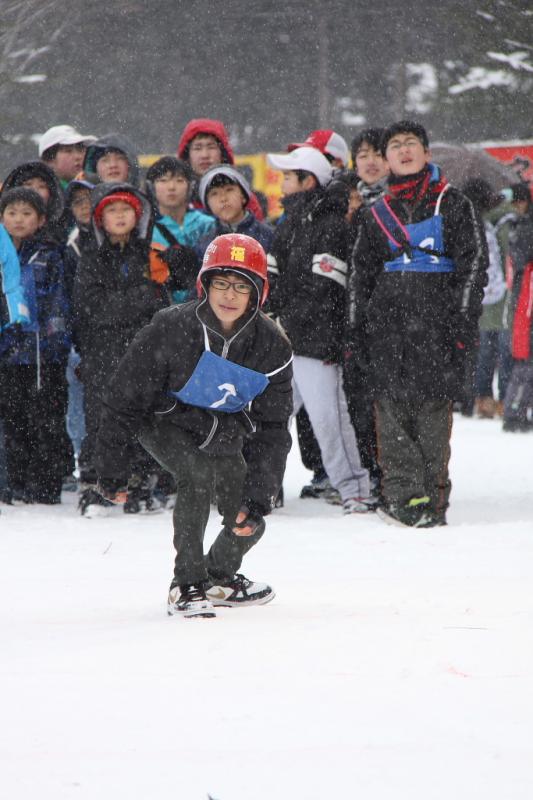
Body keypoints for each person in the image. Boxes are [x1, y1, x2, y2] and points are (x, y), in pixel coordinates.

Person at [94, 233, 293, 619]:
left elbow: (272, 427)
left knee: (250, 511)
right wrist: (112, 469)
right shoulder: (169, 326)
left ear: (258, 294)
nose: (229, 295)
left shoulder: (273, 346)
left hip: (218, 426)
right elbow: (124, 398)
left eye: (241, 285)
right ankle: (185, 584)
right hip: (162, 418)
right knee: (197, 476)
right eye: (221, 282)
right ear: (204, 284)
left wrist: (258, 496)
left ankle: (219, 576)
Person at [349, 120, 488, 528]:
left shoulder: (455, 203)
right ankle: (406, 499)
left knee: (431, 415)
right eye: (395, 145)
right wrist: (356, 328)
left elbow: (474, 264)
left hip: (438, 328)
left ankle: (434, 498)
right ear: (386, 158)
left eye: (412, 143)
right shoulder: (376, 214)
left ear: (427, 154)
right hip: (387, 330)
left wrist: (462, 318)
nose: (404, 150)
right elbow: (361, 275)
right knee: (391, 415)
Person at [267, 146, 371, 514]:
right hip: (285, 342)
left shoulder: (329, 225)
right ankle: (262, 488)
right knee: (270, 418)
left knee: (331, 423)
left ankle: (355, 489)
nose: (282, 183)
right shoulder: (289, 222)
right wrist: (271, 315)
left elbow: (324, 289)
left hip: (317, 343)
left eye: (288, 176)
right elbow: (272, 274)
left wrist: (287, 323)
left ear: (307, 181)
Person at [72, 183, 170, 515]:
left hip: (144, 351)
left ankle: (141, 479)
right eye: (111, 210)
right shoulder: (92, 257)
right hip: (102, 351)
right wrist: (139, 298)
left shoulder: (150, 253)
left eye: (125, 209)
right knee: (101, 417)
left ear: (137, 215)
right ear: (101, 219)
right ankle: (99, 481)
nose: (119, 216)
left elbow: (163, 303)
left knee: (143, 413)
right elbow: (92, 307)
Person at [0, 188, 71, 504]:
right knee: (12, 421)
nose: (18, 219)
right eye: (12, 212)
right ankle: (13, 481)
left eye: (26, 213)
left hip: (43, 355)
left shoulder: (49, 254)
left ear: (41, 219)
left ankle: (45, 485)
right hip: (7, 353)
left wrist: (52, 337)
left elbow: (59, 301)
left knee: (45, 420)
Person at [461, 179, 511, 419]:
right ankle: (504, 400)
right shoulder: (503, 220)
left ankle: (482, 400)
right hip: (504, 297)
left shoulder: (466, 221)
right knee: (504, 350)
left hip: (478, 297)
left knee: (483, 353)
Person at [145, 156, 214, 304]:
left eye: (179, 180)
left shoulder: (209, 224)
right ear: (151, 187)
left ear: (191, 186)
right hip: (165, 309)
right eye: (163, 180)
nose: (171, 187)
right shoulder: (146, 230)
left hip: (206, 304)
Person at [177, 118, 265, 220]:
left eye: (211, 147)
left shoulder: (241, 192)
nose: (204, 155)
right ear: (187, 154)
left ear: (222, 152)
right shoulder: (176, 196)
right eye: (197, 148)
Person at [502, 183, 533, 431]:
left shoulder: (519, 225)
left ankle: (518, 408)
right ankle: (514, 410)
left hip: (524, 298)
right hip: (525, 299)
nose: (517, 206)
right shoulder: (519, 226)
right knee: (526, 360)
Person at [196, 165, 273, 260]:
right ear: (208, 204)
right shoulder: (205, 244)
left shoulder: (267, 236)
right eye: (214, 193)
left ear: (243, 197)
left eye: (229, 190)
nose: (223, 198)